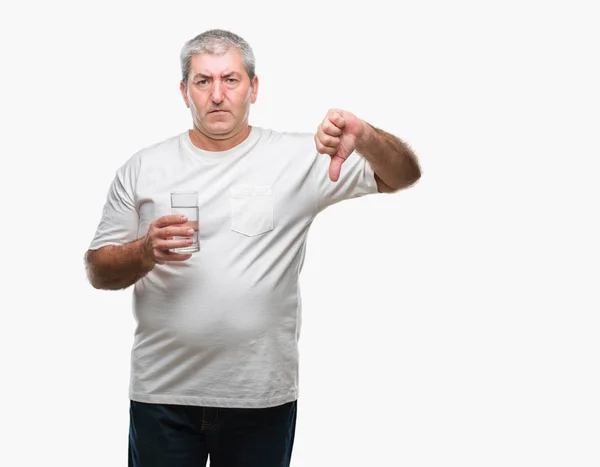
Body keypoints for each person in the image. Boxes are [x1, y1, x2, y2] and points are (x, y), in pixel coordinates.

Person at [85, 28, 421, 467]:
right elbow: (97, 270)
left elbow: (405, 175)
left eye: (231, 79)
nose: (217, 95)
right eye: (203, 81)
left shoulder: (299, 158)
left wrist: (367, 136)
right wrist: (144, 252)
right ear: (184, 91)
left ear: (253, 88)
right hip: (163, 395)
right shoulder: (145, 166)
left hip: (261, 396)